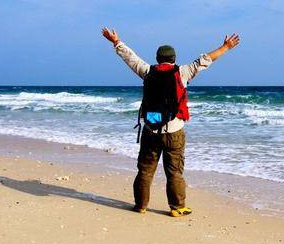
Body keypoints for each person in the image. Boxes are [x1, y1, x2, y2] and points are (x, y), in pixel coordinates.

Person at [101, 27, 240, 217]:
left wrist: (116, 41)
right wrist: (226, 47)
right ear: (174, 58)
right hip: (174, 129)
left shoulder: (147, 71)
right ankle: (177, 207)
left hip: (151, 129)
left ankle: (141, 206)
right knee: (174, 172)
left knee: (145, 170)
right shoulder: (182, 72)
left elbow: (130, 58)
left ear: (158, 59)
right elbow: (205, 60)